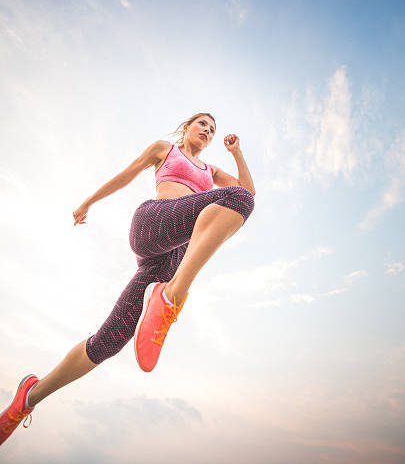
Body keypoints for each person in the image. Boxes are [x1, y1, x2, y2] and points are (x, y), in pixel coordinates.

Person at [0, 112, 255, 445]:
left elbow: (248, 192)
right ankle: (171, 296)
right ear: (187, 127)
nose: (207, 131)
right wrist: (88, 202)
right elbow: (125, 175)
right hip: (153, 224)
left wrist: (236, 153)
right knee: (236, 200)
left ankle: (27, 399)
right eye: (202, 124)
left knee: (109, 341)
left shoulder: (213, 172)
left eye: (212, 129)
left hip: (173, 256)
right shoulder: (165, 150)